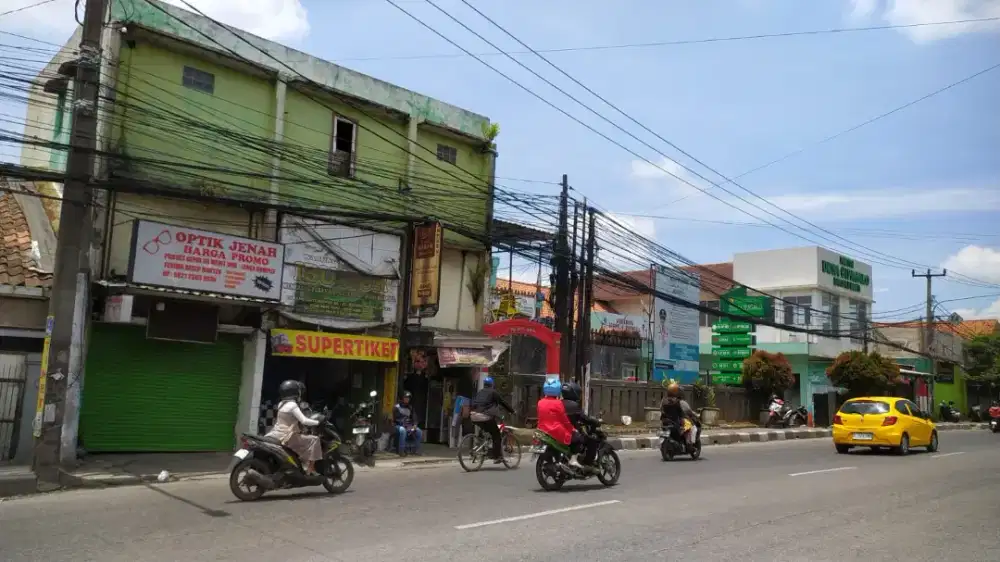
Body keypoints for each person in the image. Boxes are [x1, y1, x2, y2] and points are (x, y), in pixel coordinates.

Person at [265, 380, 323, 476]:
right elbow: (304, 421)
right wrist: (318, 422)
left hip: (276, 433)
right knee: (314, 439)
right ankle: (311, 468)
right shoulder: (292, 405)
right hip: (287, 436)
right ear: (295, 392)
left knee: (303, 438)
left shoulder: (281, 404)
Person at [536, 378, 583, 468]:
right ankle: (573, 459)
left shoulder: (540, 402)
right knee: (578, 439)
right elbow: (564, 420)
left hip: (542, 430)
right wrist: (573, 430)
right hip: (555, 430)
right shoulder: (558, 404)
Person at [470, 376, 514, 463]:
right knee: (496, 435)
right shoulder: (493, 392)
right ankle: (497, 456)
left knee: (485, 430)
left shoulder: (480, 392)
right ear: (492, 384)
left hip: (474, 416)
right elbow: (503, 402)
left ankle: (480, 446)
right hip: (485, 416)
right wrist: (512, 411)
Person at [561, 381, 601, 469]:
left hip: (559, 431)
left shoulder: (559, 403)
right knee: (591, 440)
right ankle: (588, 463)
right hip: (571, 432)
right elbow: (584, 418)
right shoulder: (574, 405)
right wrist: (596, 422)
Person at [660, 382, 699, 447]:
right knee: (692, 427)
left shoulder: (664, 401)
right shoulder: (679, 402)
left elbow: (661, 410)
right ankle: (689, 444)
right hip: (676, 422)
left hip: (665, 422)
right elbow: (687, 411)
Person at [393, 391, 422, 456]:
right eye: (405, 397)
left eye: (408, 398)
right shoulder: (397, 407)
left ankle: (416, 450)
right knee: (403, 430)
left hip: (409, 425)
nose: (407, 399)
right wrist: (406, 425)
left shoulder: (410, 407)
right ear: (402, 398)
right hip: (398, 425)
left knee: (419, 431)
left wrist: (414, 425)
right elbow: (396, 419)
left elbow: (414, 417)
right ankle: (401, 451)